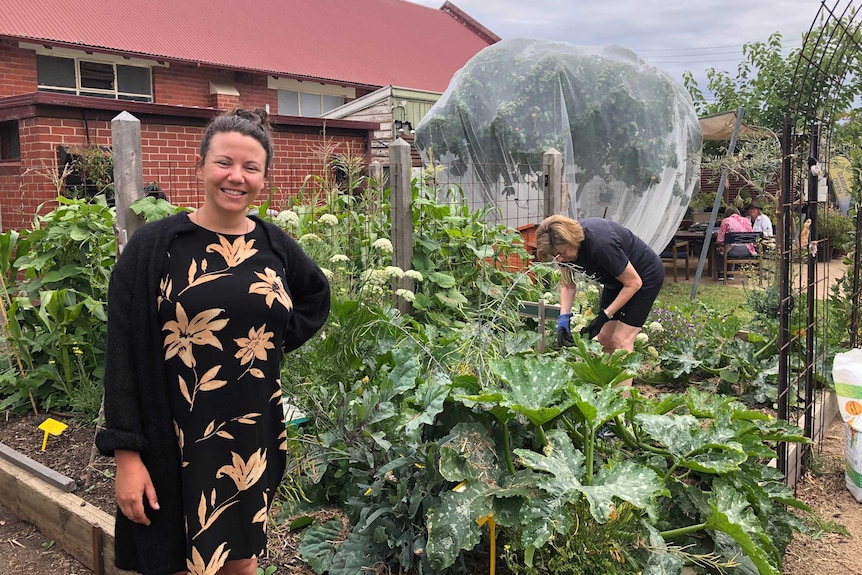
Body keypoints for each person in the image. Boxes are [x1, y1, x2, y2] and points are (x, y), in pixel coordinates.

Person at [95, 108, 330, 575]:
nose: (236, 177)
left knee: (240, 563)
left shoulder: (274, 245)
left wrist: (268, 343)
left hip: (247, 437)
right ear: (200, 165)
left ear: (264, 177)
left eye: (251, 167)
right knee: (175, 564)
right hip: (173, 441)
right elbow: (121, 354)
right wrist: (126, 456)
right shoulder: (155, 247)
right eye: (224, 162)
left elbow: (315, 295)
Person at [534, 215, 664, 387]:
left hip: (643, 277)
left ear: (571, 240)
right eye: (554, 255)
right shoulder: (564, 251)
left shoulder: (601, 244)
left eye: (561, 253)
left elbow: (633, 283)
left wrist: (604, 316)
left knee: (621, 341)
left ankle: (620, 406)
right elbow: (567, 285)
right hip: (615, 281)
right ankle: (607, 391)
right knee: (604, 339)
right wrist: (563, 319)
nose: (558, 259)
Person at [717, 205, 756, 281]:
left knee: (722, 249)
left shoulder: (726, 221)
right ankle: (730, 274)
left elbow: (720, 239)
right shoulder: (746, 220)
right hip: (747, 250)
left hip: (731, 250)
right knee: (730, 245)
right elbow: (751, 235)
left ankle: (721, 274)